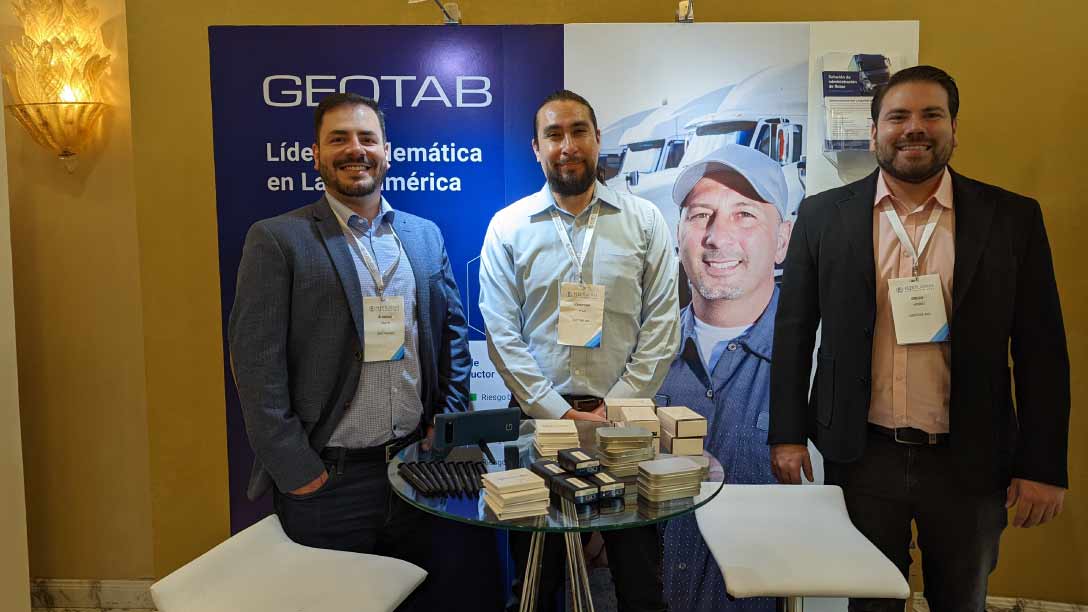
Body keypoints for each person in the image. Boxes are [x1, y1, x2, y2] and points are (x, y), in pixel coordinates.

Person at [769, 65, 1070, 611]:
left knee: (961, 600)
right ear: (874, 132)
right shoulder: (822, 216)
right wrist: (787, 436)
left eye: (931, 115)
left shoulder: (1011, 218)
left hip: (971, 461)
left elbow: (1041, 351)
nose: (914, 128)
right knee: (870, 602)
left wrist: (1042, 466)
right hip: (862, 456)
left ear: (954, 128)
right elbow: (793, 334)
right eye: (898, 116)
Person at [228, 93, 472, 608]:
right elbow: (256, 366)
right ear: (316, 154)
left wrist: (445, 424)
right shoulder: (277, 239)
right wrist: (297, 469)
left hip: (414, 469)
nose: (354, 149)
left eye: (367, 138)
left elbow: (453, 335)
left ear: (387, 152)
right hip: (328, 482)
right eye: (338, 139)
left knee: (415, 600)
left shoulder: (423, 236)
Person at [479, 89, 680, 612]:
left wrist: (615, 408)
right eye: (554, 135)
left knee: (640, 583)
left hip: (627, 426)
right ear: (536, 148)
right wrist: (558, 412)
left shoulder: (645, 221)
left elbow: (662, 325)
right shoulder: (508, 227)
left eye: (578, 131)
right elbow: (501, 335)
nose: (567, 145)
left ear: (597, 139)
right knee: (534, 585)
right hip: (537, 429)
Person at [656, 144, 793, 612]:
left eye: (745, 215)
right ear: (679, 235)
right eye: (700, 216)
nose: (717, 237)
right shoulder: (642, 361)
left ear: (782, 240)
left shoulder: (818, 363)